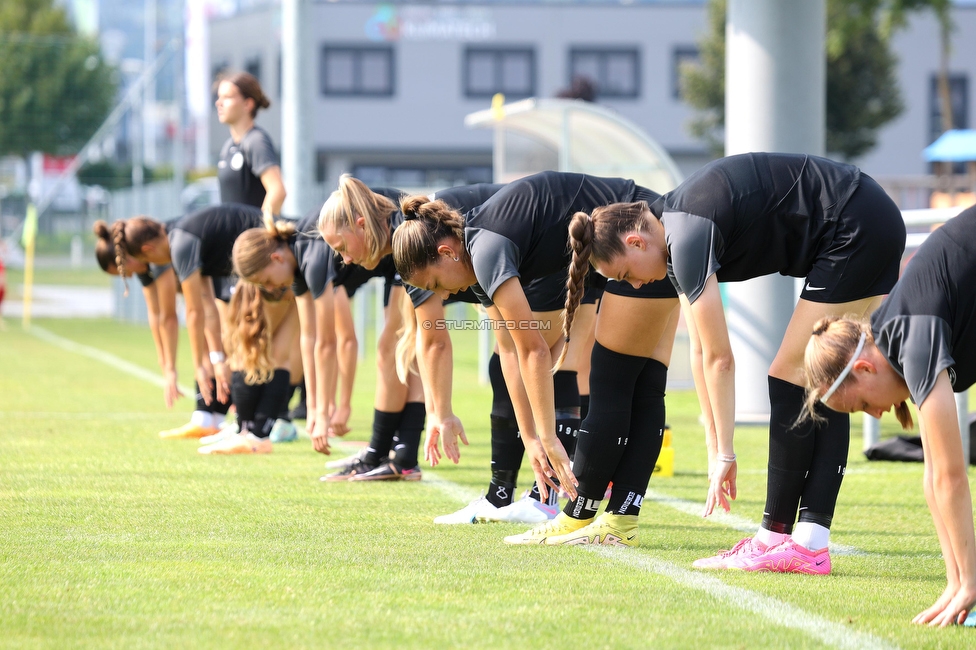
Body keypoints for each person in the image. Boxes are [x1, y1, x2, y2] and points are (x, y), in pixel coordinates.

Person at [568, 152, 905, 567]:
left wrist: (726, 454)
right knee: (821, 380)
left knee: (790, 375)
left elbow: (720, 359)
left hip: (856, 224)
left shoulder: (685, 237)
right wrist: (714, 446)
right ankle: (809, 541)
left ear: (636, 241)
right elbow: (698, 349)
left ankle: (777, 540)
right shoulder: (672, 235)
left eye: (625, 274)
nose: (634, 285)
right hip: (866, 217)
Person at [391, 170, 676, 545]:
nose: (442, 296)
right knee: (640, 384)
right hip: (640, 237)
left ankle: (582, 518)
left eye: (435, 284)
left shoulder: (485, 248)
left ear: (446, 252)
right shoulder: (475, 260)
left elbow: (534, 348)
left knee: (615, 378)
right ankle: (619, 522)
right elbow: (510, 349)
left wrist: (549, 436)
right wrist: (531, 438)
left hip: (641, 238)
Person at [803, 205, 976, 624]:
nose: (876, 414)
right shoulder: (897, 333)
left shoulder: (912, 337)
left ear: (863, 368)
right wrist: (955, 582)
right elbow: (933, 474)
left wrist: (972, 582)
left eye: (862, 404)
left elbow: (951, 474)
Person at [232, 210, 339, 455]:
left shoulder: (311, 256)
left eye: (266, 280)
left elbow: (328, 342)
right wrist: (313, 407)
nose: (269, 288)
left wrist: (326, 409)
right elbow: (309, 338)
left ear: (276, 258)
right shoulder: (298, 268)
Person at [215, 71, 286, 216]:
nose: (219, 103)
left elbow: (277, 191)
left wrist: (259, 233)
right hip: (232, 238)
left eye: (227, 97)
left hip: (249, 237)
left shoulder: (256, 141)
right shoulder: (228, 146)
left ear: (248, 104)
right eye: (219, 97)